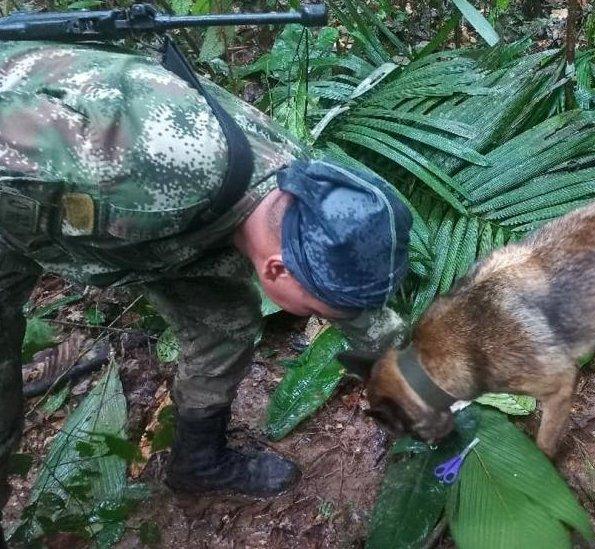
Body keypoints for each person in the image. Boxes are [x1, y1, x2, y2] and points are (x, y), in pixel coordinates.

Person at [0, 40, 411, 541]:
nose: (322, 317)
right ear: (277, 271)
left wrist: (415, 376)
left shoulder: (301, 191)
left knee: (225, 323)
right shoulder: (142, 182)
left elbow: (351, 302)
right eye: (315, 312)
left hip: (130, 218)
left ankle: (197, 461)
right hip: (21, 189)